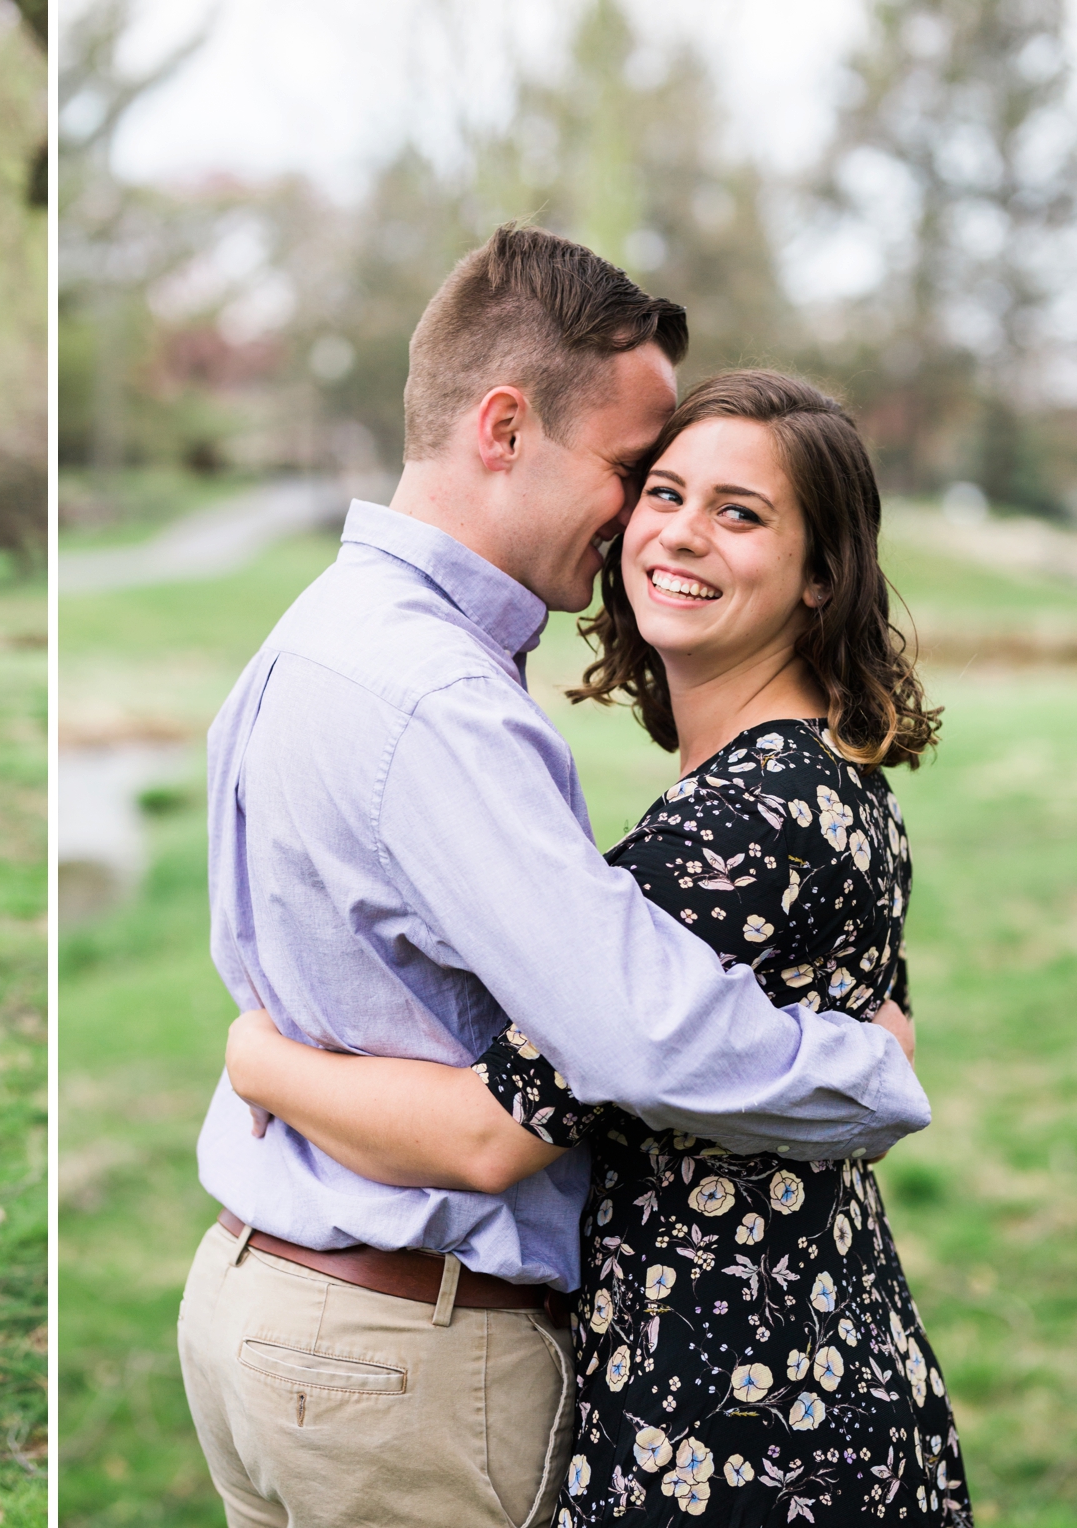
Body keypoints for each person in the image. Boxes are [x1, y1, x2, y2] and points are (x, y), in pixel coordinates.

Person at [175, 227, 931, 1528]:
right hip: (400, 1358)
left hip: (285, 1310)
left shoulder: (315, 633)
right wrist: (868, 1072)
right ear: (506, 427)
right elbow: (614, 1045)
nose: (649, 520)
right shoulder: (440, 700)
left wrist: (260, 1061)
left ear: (819, 573)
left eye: (723, 503)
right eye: (642, 476)